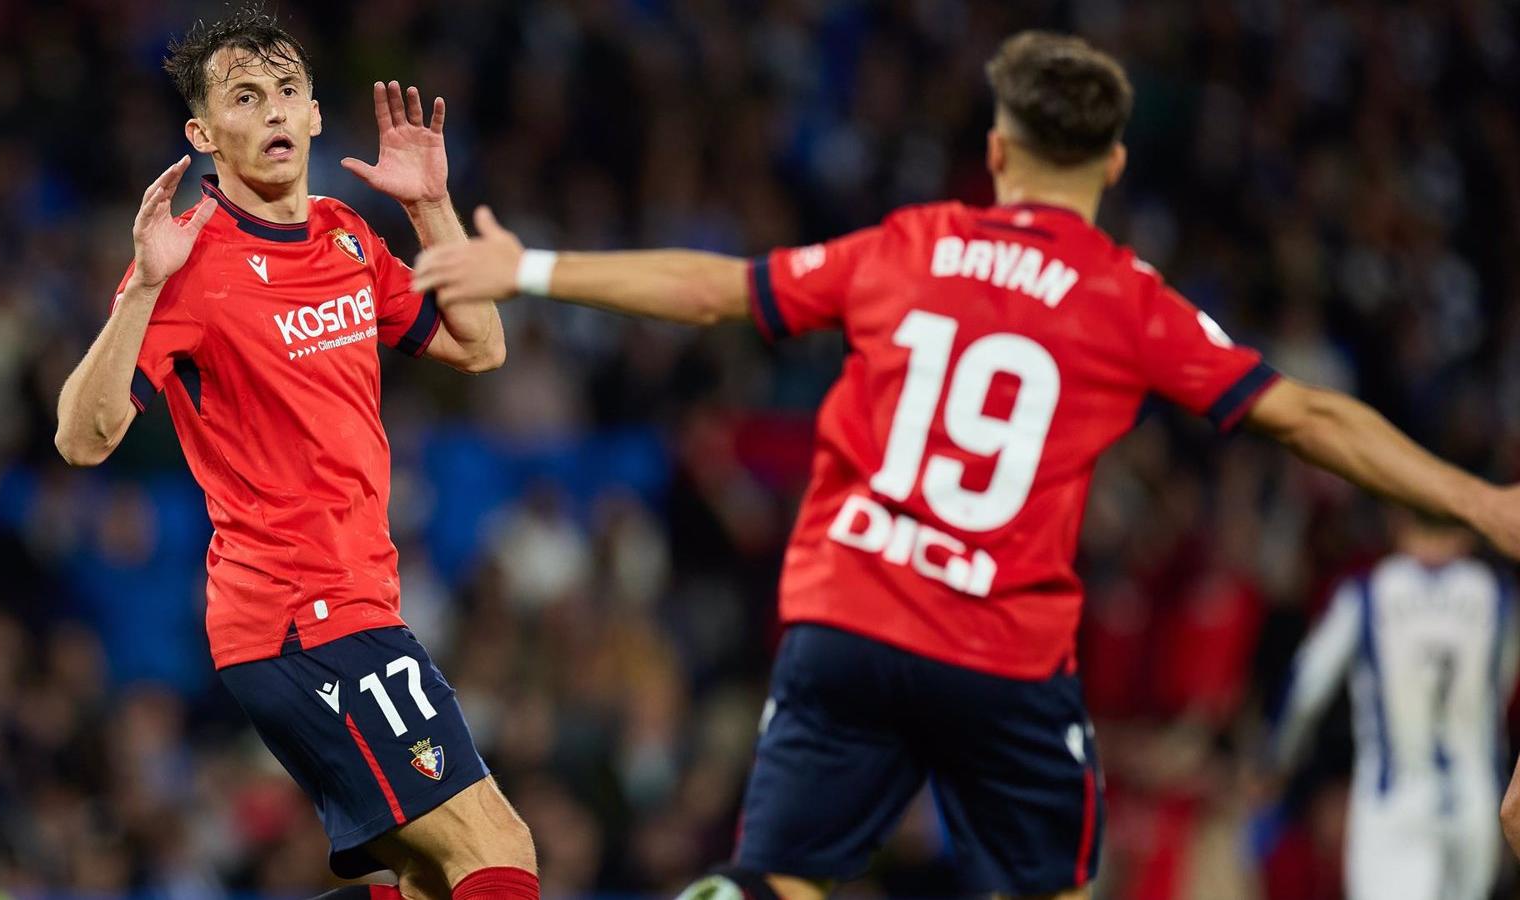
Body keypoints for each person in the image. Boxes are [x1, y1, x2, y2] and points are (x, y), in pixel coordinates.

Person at [412, 29, 1520, 900]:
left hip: (846, 618)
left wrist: (531, 267)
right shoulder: (1126, 298)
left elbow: (715, 291)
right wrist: (1477, 500)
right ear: (1114, 162)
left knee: (779, 880)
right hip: (1000, 648)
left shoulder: (908, 245)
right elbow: (1306, 417)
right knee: (1051, 885)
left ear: (996, 152)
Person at [53, 8, 537, 899]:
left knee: (433, 879)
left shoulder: (345, 233)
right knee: (496, 847)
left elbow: (481, 345)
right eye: (244, 96)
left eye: (286, 89)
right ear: (203, 134)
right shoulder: (189, 261)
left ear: (314, 112)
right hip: (298, 614)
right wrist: (144, 288)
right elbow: (81, 439)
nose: (272, 108)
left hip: (356, 603)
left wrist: (429, 206)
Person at [1268, 512, 1516, 900]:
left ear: (1397, 522)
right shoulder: (1498, 596)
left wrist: (1276, 758)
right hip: (1473, 805)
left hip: (1393, 806)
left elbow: (1306, 683)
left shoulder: (1368, 592)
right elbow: (1504, 690)